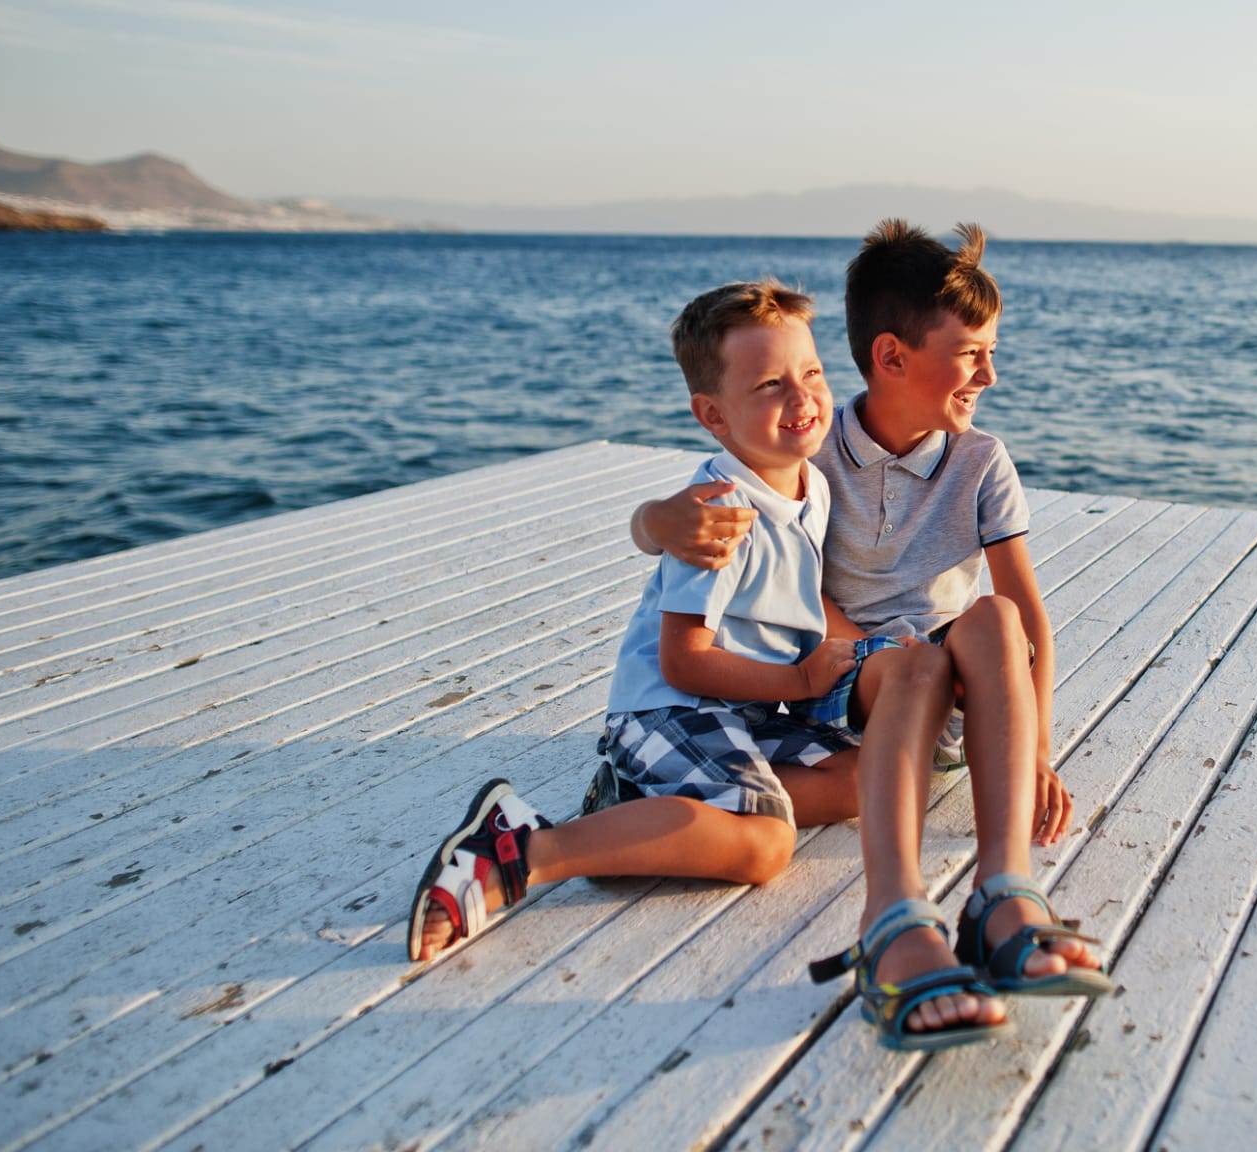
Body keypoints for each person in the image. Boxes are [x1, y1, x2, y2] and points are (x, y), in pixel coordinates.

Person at [408, 281, 1009, 1049]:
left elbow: (796, 599)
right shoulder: (717, 512)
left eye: (813, 374)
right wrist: (798, 680)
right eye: (770, 386)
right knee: (765, 844)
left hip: (750, 709)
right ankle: (524, 848)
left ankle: (650, 807)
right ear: (713, 415)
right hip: (671, 707)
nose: (803, 398)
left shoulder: (812, 487)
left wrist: (863, 652)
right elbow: (682, 660)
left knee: (871, 780)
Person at [634, 222, 1111, 1042]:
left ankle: (1004, 891)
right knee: (909, 662)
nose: (990, 374)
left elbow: (1027, 613)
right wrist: (655, 520)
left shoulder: (980, 461)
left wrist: (1035, 748)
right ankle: (893, 915)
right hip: (855, 685)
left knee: (991, 616)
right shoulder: (811, 452)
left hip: (956, 695)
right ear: (892, 357)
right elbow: (712, 504)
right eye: (970, 353)